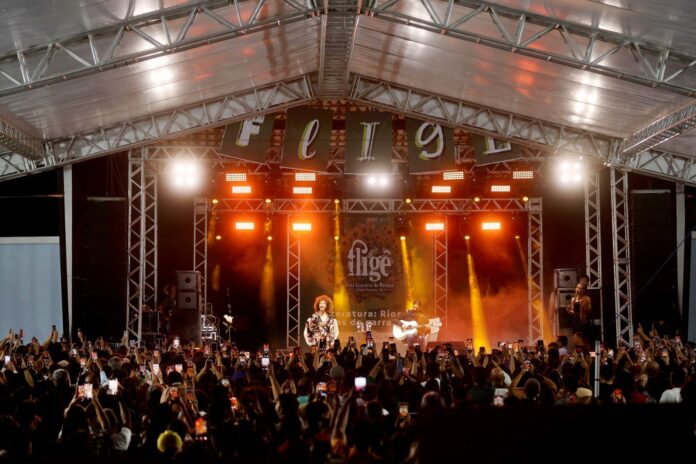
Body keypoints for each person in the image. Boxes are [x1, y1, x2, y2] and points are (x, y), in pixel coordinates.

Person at [566, 282, 591, 350]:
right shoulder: (573, 299)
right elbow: (573, 311)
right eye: (577, 287)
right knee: (576, 338)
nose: (578, 289)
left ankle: (586, 352)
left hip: (583, 320)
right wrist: (568, 311)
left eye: (580, 288)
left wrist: (583, 306)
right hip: (575, 321)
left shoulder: (587, 299)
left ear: (583, 290)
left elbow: (589, 311)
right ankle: (578, 352)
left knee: (584, 338)